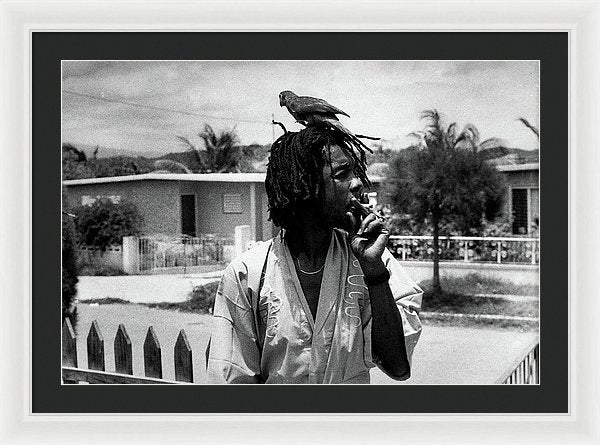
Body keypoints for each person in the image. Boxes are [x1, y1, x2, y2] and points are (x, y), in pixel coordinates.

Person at [206, 126, 422, 384]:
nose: (357, 184)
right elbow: (232, 381)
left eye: (354, 172)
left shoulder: (372, 261)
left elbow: (398, 367)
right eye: (342, 174)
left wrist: (375, 274)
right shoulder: (248, 273)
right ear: (306, 186)